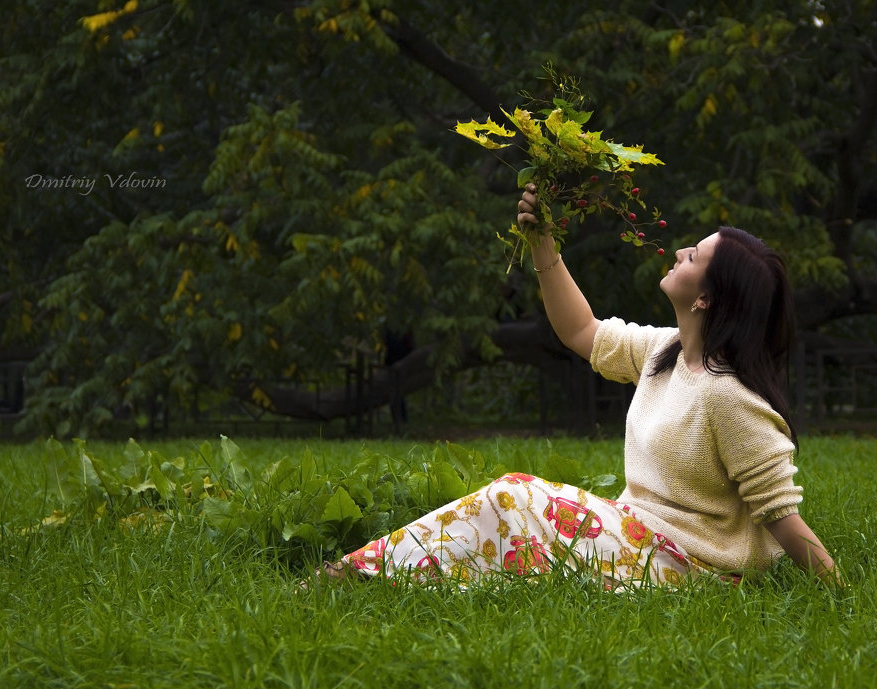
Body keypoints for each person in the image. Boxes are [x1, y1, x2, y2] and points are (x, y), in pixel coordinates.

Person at [304, 183, 838, 589]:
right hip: (636, 535)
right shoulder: (664, 353)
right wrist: (543, 245)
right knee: (513, 515)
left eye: (694, 257)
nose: (679, 253)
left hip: (686, 567)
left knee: (515, 494)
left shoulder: (729, 396)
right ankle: (379, 573)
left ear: (707, 299)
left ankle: (358, 575)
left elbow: (781, 517)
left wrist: (839, 593)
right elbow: (580, 331)